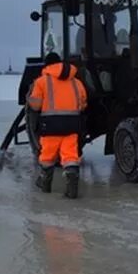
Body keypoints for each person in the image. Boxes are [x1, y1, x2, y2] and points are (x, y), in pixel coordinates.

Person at [27, 53, 87, 198]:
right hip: (72, 125)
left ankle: (46, 187)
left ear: (46, 65)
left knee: (47, 157)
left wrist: (29, 99)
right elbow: (83, 104)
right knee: (70, 156)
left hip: (50, 125)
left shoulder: (41, 82)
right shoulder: (76, 82)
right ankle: (72, 187)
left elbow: (36, 106)